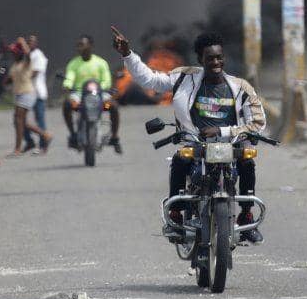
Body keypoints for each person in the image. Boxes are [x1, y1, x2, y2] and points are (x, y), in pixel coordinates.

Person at [112, 26, 266, 244]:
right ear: (200, 59)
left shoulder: (241, 87)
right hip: (195, 143)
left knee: (247, 160)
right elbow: (150, 80)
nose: (215, 63)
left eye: (219, 58)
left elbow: (258, 122)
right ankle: (175, 215)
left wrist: (224, 131)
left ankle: (247, 215)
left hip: (228, 144)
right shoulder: (183, 78)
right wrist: (128, 54)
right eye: (210, 58)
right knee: (180, 159)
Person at [62, 34, 122, 153]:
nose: (79, 48)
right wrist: (67, 85)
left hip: (99, 94)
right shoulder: (73, 64)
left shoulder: (101, 63)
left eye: (82, 45)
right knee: (67, 104)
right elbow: (69, 77)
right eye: (78, 45)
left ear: (90, 46)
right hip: (80, 95)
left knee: (113, 106)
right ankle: (73, 134)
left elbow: (106, 80)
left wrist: (103, 87)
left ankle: (114, 137)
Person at [5, 39, 52, 155]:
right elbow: (10, 79)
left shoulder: (26, 62)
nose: (12, 54)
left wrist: (23, 43)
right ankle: (45, 135)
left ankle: (17, 149)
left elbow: (28, 54)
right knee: (20, 122)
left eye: (14, 52)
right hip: (19, 94)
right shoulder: (15, 65)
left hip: (27, 93)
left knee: (19, 120)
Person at [25, 34, 49, 153]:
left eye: (32, 41)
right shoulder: (27, 56)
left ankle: (43, 145)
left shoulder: (39, 56)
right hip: (28, 92)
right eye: (28, 41)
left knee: (40, 120)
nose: (29, 43)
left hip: (38, 92)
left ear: (36, 43)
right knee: (20, 118)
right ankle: (29, 142)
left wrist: (22, 76)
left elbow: (34, 73)